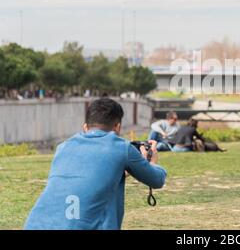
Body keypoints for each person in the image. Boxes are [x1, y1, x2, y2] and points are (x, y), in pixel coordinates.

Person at [24, 98, 167, 230]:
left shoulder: (63, 147)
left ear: (85, 127)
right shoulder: (122, 147)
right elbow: (157, 180)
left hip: (35, 224)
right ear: (117, 127)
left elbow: (78, 181)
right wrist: (152, 162)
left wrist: (120, 173)